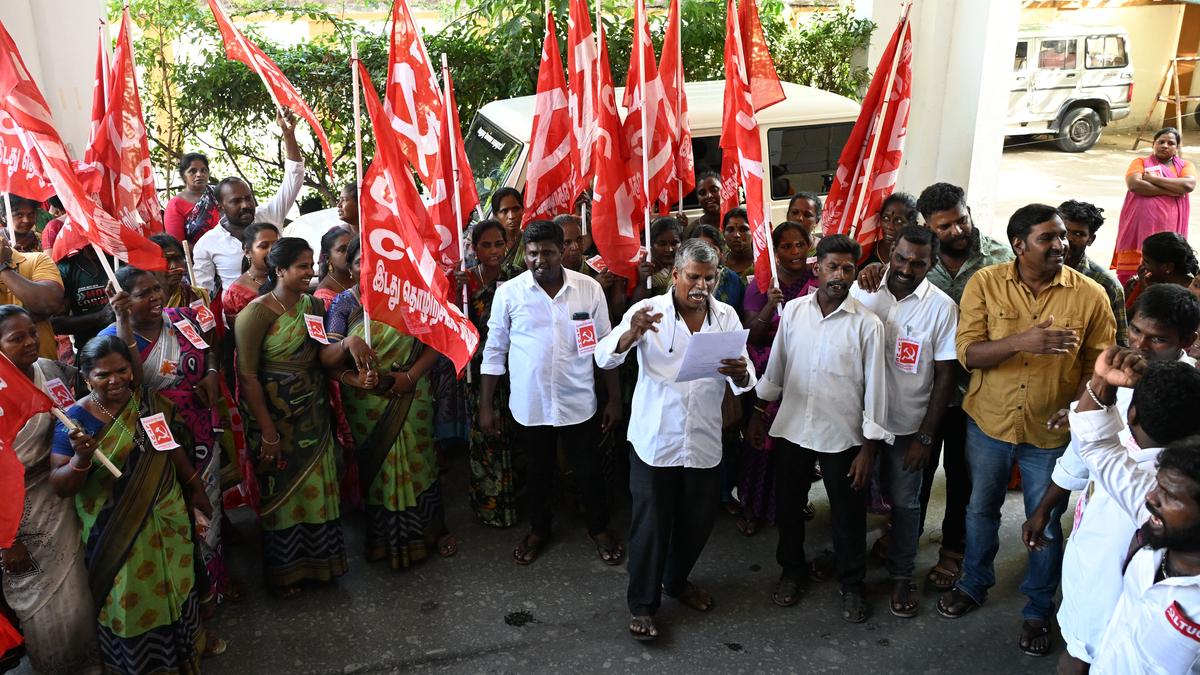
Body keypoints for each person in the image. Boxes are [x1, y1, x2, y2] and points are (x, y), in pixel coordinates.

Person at [939, 204, 1115, 658]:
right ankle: (974, 583)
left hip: (1050, 435)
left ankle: (1038, 608)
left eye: (1062, 237)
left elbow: (1100, 364)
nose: (1060, 244)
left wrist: (1078, 407)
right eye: (1048, 238)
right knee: (980, 511)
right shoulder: (986, 283)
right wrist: (1023, 341)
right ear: (1019, 245)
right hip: (989, 424)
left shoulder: (1090, 295)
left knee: (1047, 524)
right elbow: (968, 355)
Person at [1021, 283, 1199, 673]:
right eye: (1135, 331)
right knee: (1085, 639)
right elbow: (1087, 450)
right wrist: (1044, 508)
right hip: (1099, 540)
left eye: (1159, 339)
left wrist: (1096, 391)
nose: (1142, 346)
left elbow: (1097, 441)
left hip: (1140, 558)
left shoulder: (1185, 395)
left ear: (1188, 341)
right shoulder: (1123, 380)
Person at [595, 239, 756, 641]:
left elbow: (748, 378)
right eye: (693, 277)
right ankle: (643, 605)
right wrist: (629, 335)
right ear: (676, 276)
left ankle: (676, 580)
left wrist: (740, 375)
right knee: (651, 524)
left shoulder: (727, 317)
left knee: (697, 523)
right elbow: (603, 357)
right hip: (656, 440)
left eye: (709, 277)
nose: (701, 286)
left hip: (702, 440)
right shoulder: (648, 312)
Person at [859, 181, 1013, 593]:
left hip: (973, 391)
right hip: (918, 392)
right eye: (944, 226)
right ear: (928, 228)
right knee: (915, 479)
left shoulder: (1001, 257)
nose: (957, 232)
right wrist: (871, 270)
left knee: (961, 479)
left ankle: (952, 551)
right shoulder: (906, 263)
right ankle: (900, 537)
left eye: (961, 220)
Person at [49, 335, 218, 672]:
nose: (115, 380)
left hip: (168, 519)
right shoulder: (75, 421)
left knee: (179, 583)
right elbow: (60, 485)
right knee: (130, 598)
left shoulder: (147, 403)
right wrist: (81, 458)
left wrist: (195, 487)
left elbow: (171, 448)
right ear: (86, 378)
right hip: (116, 533)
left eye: (122, 370)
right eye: (103, 375)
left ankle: (188, 651)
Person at [750, 234, 887, 622]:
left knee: (847, 514)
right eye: (832, 266)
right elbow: (776, 367)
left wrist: (869, 449)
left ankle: (852, 584)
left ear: (856, 273)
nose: (839, 274)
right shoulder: (793, 312)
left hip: (842, 435)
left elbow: (876, 390)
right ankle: (791, 571)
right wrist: (759, 412)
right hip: (792, 427)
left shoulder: (868, 325)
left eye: (847, 268)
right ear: (817, 268)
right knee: (789, 508)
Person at [233, 237, 373, 596]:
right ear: (279, 270)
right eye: (302, 267)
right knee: (282, 495)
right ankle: (286, 575)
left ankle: (322, 565)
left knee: (317, 489)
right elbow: (247, 377)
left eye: (312, 266)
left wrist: (345, 345)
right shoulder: (256, 313)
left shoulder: (312, 304)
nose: (310, 273)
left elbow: (322, 357)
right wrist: (267, 431)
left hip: (312, 414)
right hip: (275, 419)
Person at [479, 220, 624, 565]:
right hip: (530, 405)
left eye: (547, 252)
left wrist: (615, 399)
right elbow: (495, 350)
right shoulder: (509, 293)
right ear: (524, 254)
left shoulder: (588, 289)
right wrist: (486, 405)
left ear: (563, 252)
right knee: (538, 472)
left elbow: (605, 347)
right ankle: (539, 530)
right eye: (532, 253)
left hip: (579, 402)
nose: (539, 259)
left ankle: (599, 528)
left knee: (588, 471)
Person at [97, 266, 240, 611]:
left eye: (156, 289)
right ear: (122, 300)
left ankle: (216, 578)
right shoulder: (110, 340)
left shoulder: (181, 317)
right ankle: (185, 594)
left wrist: (208, 373)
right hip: (156, 436)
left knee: (209, 503)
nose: (156, 297)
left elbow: (208, 349)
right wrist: (122, 321)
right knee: (174, 511)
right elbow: (134, 382)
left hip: (200, 427)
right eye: (143, 293)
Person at [325, 238, 459, 567]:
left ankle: (434, 530)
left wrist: (411, 377)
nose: (368, 269)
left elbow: (438, 341)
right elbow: (327, 359)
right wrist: (348, 344)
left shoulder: (410, 295)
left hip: (411, 394)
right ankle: (383, 540)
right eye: (360, 263)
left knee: (420, 459)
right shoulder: (344, 304)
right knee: (379, 468)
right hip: (365, 403)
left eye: (375, 261)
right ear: (350, 268)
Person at [850, 225, 958, 618]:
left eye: (918, 263)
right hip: (857, 420)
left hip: (907, 426)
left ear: (932, 263)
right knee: (851, 497)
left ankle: (901, 575)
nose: (906, 268)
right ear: (888, 252)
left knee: (905, 503)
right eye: (900, 258)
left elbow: (945, 376)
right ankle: (851, 572)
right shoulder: (864, 289)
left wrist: (925, 438)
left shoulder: (941, 307)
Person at [1069, 350, 1200, 673]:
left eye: (1169, 495)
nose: (1151, 497)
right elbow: (1097, 447)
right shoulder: (1154, 515)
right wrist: (1101, 382)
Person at [0, 306, 101, 674]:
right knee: (38, 604)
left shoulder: (50, 370)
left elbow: (95, 384)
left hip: (64, 491)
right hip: (17, 515)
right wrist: (6, 542)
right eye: (16, 338)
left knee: (79, 593)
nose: (29, 342)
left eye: (31, 333)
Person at [736, 221, 816, 537]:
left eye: (800, 245)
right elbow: (751, 335)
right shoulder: (760, 283)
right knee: (760, 447)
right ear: (775, 251)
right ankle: (752, 506)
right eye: (786, 246)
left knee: (796, 449)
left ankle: (792, 502)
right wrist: (770, 304)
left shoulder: (819, 278)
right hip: (768, 375)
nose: (794, 252)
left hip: (806, 373)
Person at [192, 112, 304, 294]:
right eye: (236, 201)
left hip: (287, 310)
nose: (245, 205)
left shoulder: (269, 215)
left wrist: (288, 134)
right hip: (238, 317)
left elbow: (295, 176)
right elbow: (203, 292)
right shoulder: (207, 244)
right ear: (220, 207)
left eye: (248, 198)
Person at [458, 220, 520, 527]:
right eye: (486, 245)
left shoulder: (518, 278)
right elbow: (452, 326)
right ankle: (489, 507)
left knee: (516, 437)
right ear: (474, 248)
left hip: (515, 370)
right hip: (478, 373)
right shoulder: (464, 282)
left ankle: (521, 504)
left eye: (499, 244)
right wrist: (455, 293)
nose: (494, 251)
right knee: (486, 435)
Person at [1111, 127, 1196, 283]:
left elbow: (1188, 185)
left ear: (1176, 148)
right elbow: (1135, 185)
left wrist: (1153, 179)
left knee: (1164, 264)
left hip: (1167, 227)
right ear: (1153, 144)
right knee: (1131, 277)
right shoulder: (1140, 162)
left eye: (1170, 143)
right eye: (1161, 141)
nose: (1165, 145)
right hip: (1137, 226)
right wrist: (1171, 190)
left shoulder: (1185, 165)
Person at [1059, 199, 1127, 346]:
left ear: (1090, 239)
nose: (1069, 239)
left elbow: (1119, 343)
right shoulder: (1031, 271)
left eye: (1078, 234)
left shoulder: (1107, 284)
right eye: (1064, 232)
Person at [0, 227, 64, 359]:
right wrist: (32, 314)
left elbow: (48, 304)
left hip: (44, 369)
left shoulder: (37, 260)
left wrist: (2, 268)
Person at [50, 246, 112, 358]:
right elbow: (56, 323)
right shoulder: (67, 268)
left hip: (129, 346)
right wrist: (100, 317)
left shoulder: (124, 259)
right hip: (89, 353)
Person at [220, 222, 278, 333]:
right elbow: (240, 337)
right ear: (247, 251)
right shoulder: (235, 295)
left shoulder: (285, 277)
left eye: (275, 245)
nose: (271, 250)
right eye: (264, 246)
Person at [1122, 231, 1197, 310]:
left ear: (1167, 267)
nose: (1141, 265)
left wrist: (1147, 293)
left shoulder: (1192, 293)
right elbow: (1124, 318)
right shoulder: (1145, 282)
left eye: (1146, 261)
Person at [165, 152, 218, 243]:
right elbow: (177, 243)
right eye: (193, 171)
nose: (199, 174)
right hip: (196, 255)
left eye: (203, 170)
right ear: (183, 176)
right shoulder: (175, 205)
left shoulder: (219, 193)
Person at [689, 224, 745, 310]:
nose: (706, 254)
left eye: (712, 249)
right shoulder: (681, 278)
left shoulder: (733, 279)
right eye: (700, 249)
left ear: (721, 252)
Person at [150, 233, 210, 309]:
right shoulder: (146, 302)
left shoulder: (197, 295)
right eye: (167, 260)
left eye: (177, 259)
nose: (174, 266)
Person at [632, 217, 683, 301]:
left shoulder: (687, 265)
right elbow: (636, 309)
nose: (669, 249)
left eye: (674, 243)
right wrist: (643, 282)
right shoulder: (643, 268)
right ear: (650, 244)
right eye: (662, 244)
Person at [865, 192, 918, 266]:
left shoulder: (916, 258)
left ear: (913, 225)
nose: (889, 226)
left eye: (899, 221)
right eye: (885, 218)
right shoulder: (866, 251)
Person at [490, 187, 526, 278]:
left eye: (516, 209)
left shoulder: (530, 241)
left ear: (523, 210)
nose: (511, 216)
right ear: (495, 215)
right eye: (504, 211)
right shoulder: (487, 245)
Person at [314, 227, 354, 309]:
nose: (350, 253)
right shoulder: (324, 298)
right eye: (343, 250)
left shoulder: (360, 277)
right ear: (328, 258)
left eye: (352, 247)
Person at [678, 172, 722, 238]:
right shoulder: (692, 230)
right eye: (702, 193)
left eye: (714, 190)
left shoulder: (734, 223)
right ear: (698, 199)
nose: (709, 196)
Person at [720, 207, 754, 281]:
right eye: (730, 230)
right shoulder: (718, 263)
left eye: (743, 229)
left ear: (753, 232)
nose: (736, 235)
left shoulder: (763, 265)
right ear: (723, 234)